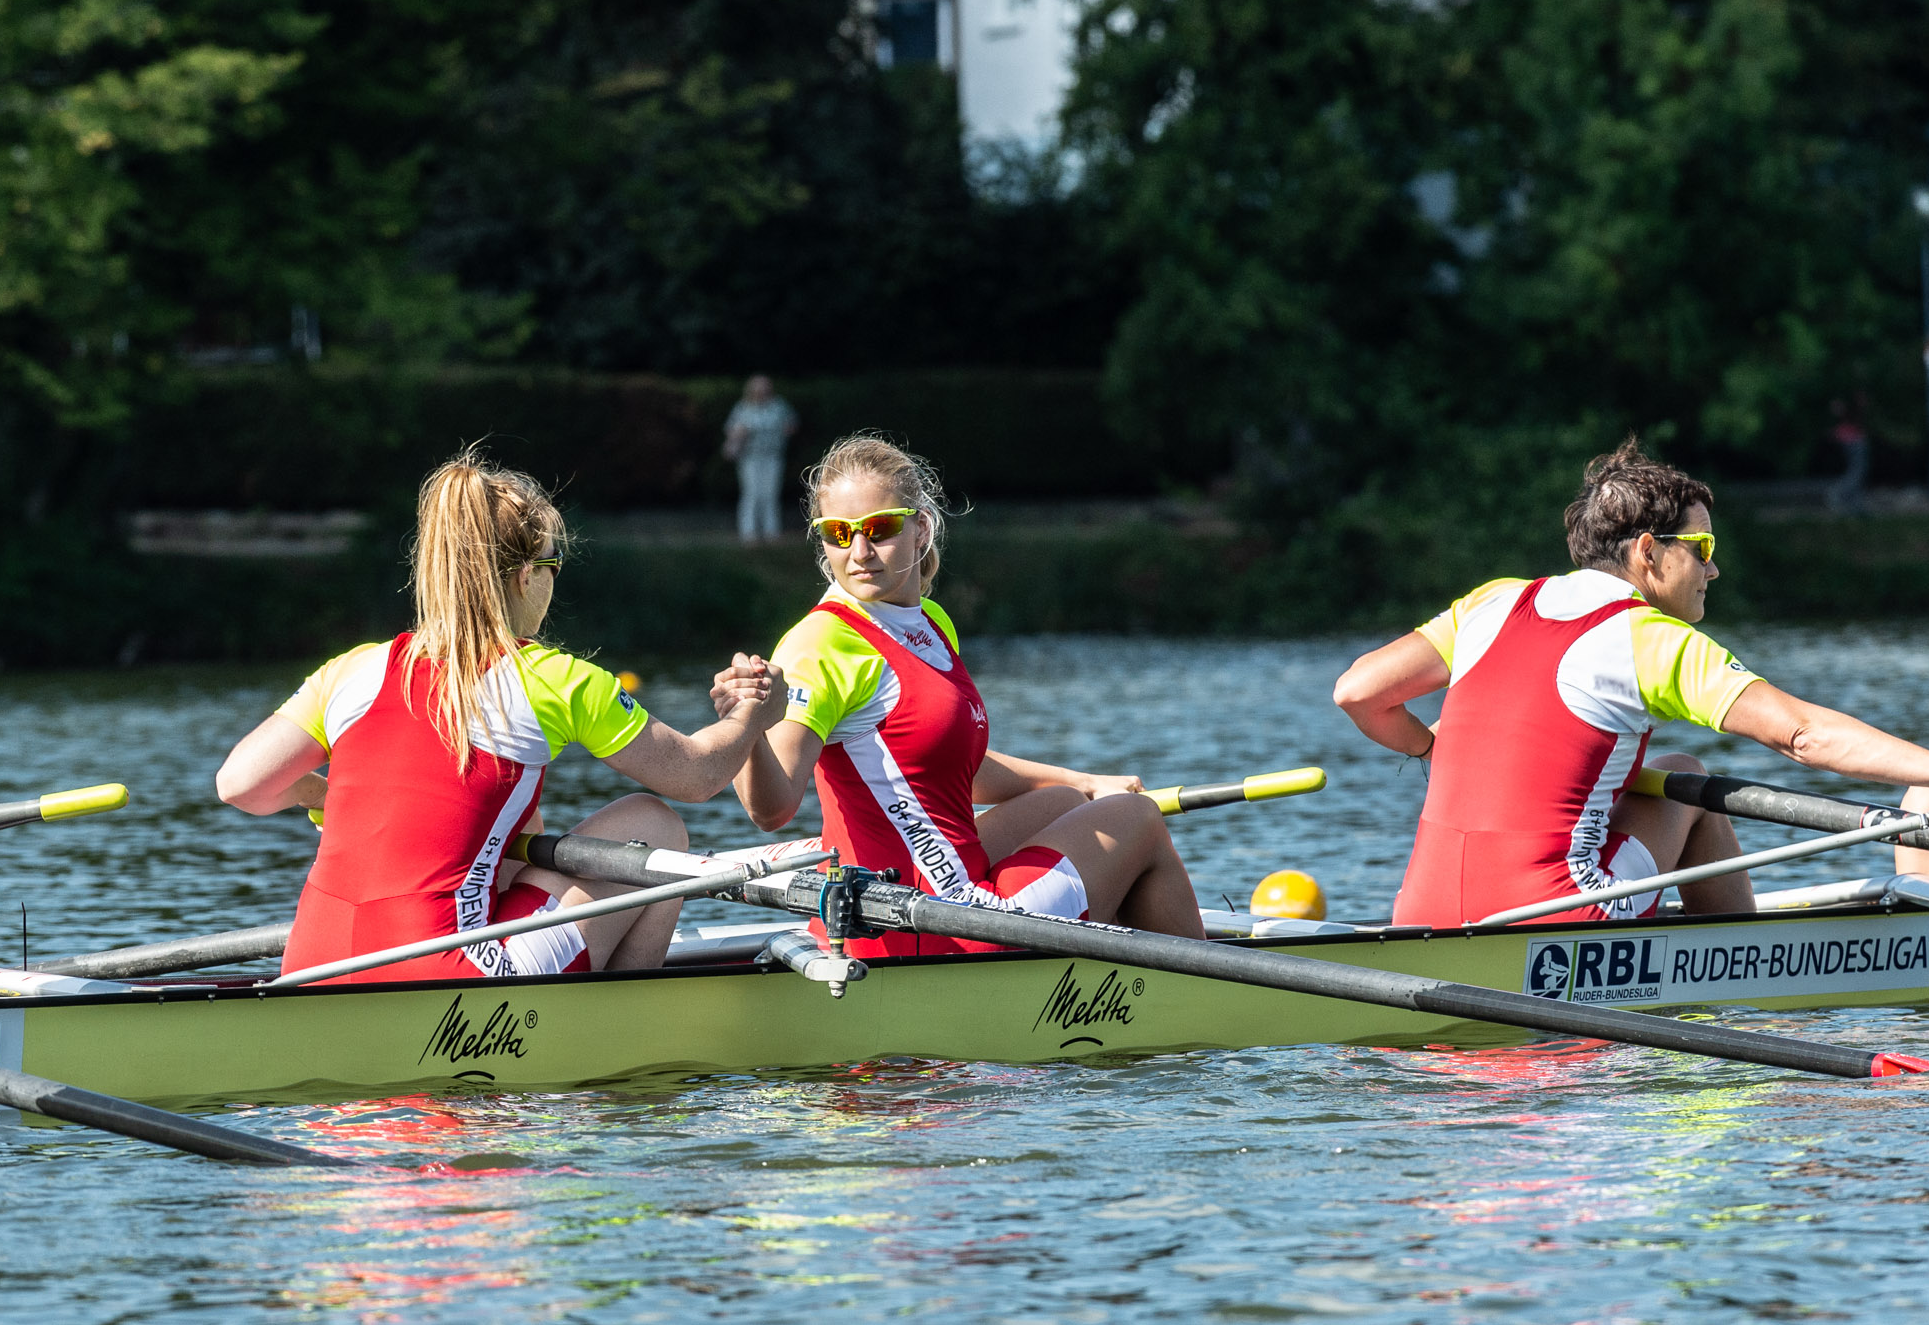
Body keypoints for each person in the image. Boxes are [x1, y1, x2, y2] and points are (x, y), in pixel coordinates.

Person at [1332, 439, 1929, 926]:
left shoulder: (1494, 602)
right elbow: (1806, 738)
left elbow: (1358, 691)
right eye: (1701, 550)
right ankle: (1739, 972)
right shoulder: (1648, 640)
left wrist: (1428, 748)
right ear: (1649, 552)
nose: (1713, 570)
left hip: (1423, 914)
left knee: (1669, 768)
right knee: (1692, 783)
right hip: (1560, 919)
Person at [215, 449, 789, 984]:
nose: (555, 579)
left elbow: (241, 784)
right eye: (554, 563)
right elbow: (696, 776)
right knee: (654, 823)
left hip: (311, 964)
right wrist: (753, 716)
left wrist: (328, 794)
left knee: (518, 846)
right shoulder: (553, 679)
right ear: (525, 575)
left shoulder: (354, 670)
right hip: (443, 973)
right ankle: (625, 1036)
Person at [728, 434, 1204, 960]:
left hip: (944, 897)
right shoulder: (820, 644)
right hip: (932, 922)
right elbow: (771, 811)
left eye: (879, 529)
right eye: (839, 534)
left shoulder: (930, 624)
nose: (858, 552)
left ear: (921, 528)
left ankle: (1112, 964)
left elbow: (949, 768)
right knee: (1137, 819)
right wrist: (747, 726)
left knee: (1064, 804)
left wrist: (1086, 782)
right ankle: (1196, 997)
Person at [723, 375, 798, 544]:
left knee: (770, 493)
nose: (761, 393)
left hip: (773, 456)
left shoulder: (778, 406)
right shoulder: (743, 408)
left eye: (764, 389)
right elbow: (731, 430)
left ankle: (771, 532)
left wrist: (785, 431)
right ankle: (748, 533)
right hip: (750, 458)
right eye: (758, 389)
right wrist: (739, 434)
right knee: (751, 493)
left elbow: (792, 424)